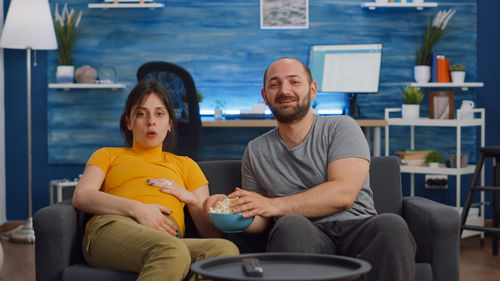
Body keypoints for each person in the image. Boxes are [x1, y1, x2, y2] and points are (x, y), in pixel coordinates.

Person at [204, 57, 416, 281]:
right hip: (302, 235)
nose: (285, 90)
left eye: (294, 82)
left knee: (391, 224)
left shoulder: (342, 127)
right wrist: (229, 211)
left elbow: (343, 193)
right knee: (290, 225)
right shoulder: (256, 150)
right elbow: (261, 216)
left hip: (357, 229)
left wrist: (272, 205)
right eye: (274, 85)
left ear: (313, 90)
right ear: (265, 96)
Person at [72, 81, 239, 281]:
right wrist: (139, 210)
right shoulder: (107, 155)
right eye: (142, 114)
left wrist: (192, 200)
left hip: (167, 238)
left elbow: (212, 235)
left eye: (159, 114)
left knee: (225, 250)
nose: (151, 121)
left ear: (169, 123)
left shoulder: (186, 165)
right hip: (112, 228)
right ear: (129, 122)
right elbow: (82, 196)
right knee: (172, 250)